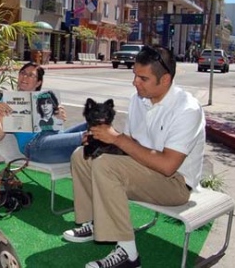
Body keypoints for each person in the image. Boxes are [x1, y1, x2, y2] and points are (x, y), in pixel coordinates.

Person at [62, 45, 205, 268]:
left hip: (175, 183)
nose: (135, 82)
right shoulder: (139, 99)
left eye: (143, 78)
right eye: (135, 76)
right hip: (143, 168)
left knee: (106, 166)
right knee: (83, 155)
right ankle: (95, 222)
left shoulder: (187, 109)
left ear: (165, 79)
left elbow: (168, 166)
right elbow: (132, 143)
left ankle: (129, 254)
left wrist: (117, 139)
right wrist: (101, 140)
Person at [0, 62, 87, 163]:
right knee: (85, 136)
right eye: (23, 73)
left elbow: (58, 128)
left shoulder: (46, 99)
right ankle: (90, 140)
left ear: (38, 83)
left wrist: (59, 117)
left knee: (92, 125)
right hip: (33, 145)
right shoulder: (8, 100)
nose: (25, 77)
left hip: (54, 136)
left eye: (31, 75)